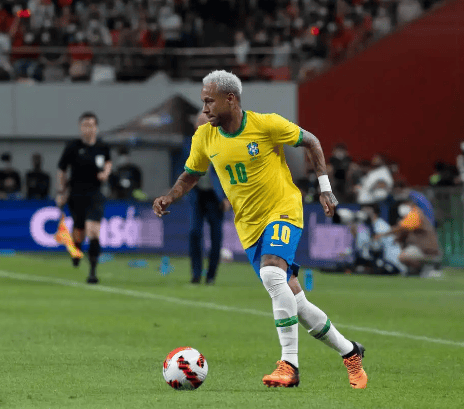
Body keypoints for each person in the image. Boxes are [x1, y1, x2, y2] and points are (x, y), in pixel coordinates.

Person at [153, 70, 367, 389]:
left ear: (231, 99)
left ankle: (289, 365)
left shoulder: (266, 125)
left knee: (271, 273)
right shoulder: (204, 137)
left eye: (209, 102)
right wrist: (170, 196)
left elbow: (311, 141)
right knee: (296, 302)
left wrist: (325, 188)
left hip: (284, 209)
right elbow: (192, 174)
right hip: (250, 226)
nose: (205, 109)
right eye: (203, 102)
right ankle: (350, 352)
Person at [56, 112, 112, 284]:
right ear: (80, 128)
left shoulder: (102, 147)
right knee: (79, 231)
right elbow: (62, 170)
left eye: (91, 125)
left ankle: (93, 272)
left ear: (96, 128)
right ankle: (77, 248)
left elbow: (108, 162)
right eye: (85, 125)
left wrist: (106, 173)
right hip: (76, 194)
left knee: (93, 230)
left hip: (95, 194)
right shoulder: (73, 147)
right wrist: (61, 191)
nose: (88, 128)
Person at [189, 113, 229, 285]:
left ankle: (211, 276)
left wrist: (228, 198)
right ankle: (196, 274)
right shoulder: (190, 144)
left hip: (215, 197)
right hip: (198, 194)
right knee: (194, 233)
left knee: (216, 237)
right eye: (198, 123)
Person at [377, 192, 441, 276]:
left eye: (404, 203)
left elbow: (402, 227)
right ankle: (420, 271)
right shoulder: (410, 216)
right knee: (402, 253)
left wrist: (383, 234)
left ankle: (425, 269)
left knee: (403, 257)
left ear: (410, 203)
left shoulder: (416, 214)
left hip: (428, 250)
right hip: (423, 249)